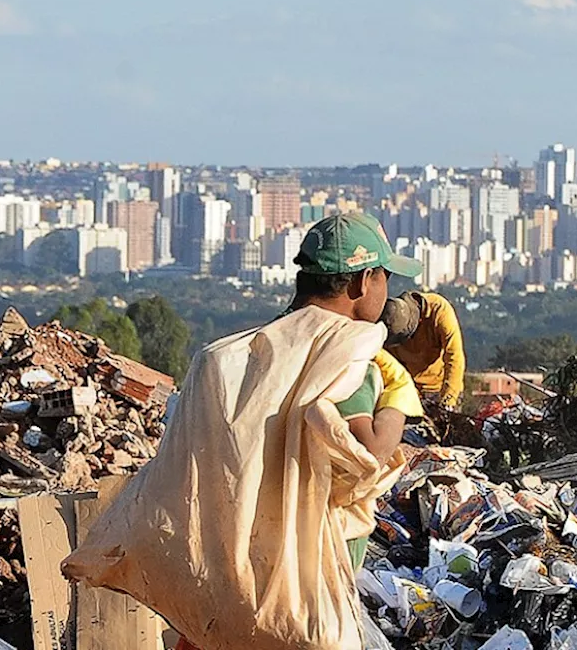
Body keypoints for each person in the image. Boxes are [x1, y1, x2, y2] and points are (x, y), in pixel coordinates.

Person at [171, 212, 423, 650]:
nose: (387, 292)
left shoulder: (250, 351)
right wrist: (399, 396)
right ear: (363, 283)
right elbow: (369, 454)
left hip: (231, 571)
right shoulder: (342, 358)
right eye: (384, 277)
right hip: (303, 589)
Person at [380, 290, 466, 409]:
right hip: (409, 390)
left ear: (419, 320)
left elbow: (454, 356)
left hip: (440, 387)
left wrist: (449, 399)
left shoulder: (439, 310)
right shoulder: (391, 318)